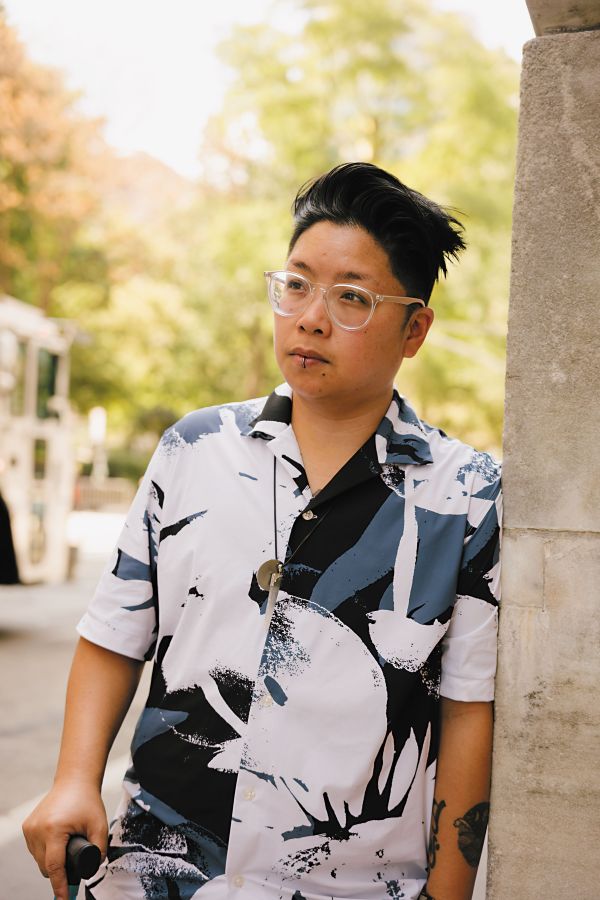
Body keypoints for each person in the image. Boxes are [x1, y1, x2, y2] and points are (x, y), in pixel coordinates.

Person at [23, 162, 501, 900]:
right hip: (154, 876)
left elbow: (468, 713)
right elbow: (115, 633)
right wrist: (73, 780)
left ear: (415, 330)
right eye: (297, 284)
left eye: (351, 297)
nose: (311, 316)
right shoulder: (194, 449)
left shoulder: (465, 497)